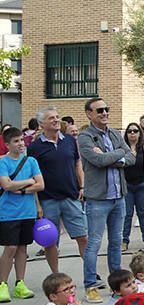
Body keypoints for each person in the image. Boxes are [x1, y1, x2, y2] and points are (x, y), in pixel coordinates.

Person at [78, 97, 134, 303]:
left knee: (116, 242)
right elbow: (98, 161)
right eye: (99, 110)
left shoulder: (114, 134)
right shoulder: (85, 137)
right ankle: (90, 286)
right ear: (89, 114)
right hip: (98, 199)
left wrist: (114, 155)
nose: (104, 113)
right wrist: (119, 154)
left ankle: (118, 285)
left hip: (119, 197)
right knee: (93, 243)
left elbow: (131, 158)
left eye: (106, 109)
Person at [28, 106, 88, 276]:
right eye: (51, 118)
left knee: (83, 237)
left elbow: (78, 163)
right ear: (41, 124)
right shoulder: (34, 147)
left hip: (71, 196)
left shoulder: (69, 140)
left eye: (57, 117)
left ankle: (89, 272)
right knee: (50, 242)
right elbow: (33, 176)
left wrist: (82, 186)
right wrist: (37, 205)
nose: (56, 120)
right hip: (48, 200)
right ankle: (56, 275)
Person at [0, 127, 43, 302]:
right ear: (8, 144)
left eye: (21, 140)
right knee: (10, 247)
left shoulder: (31, 161)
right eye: (16, 141)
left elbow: (40, 185)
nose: (20, 144)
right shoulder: (3, 163)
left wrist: (21, 189)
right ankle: (2, 284)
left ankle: (20, 283)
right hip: (8, 212)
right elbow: (6, 186)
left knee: (23, 248)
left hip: (27, 211)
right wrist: (28, 182)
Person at [120, 121, 144, 251]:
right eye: (129, 131)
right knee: (127, 214)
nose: (132, 133)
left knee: (143, 213)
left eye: (135, 131)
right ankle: (124, 241)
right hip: (127, 186)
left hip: (142, 184)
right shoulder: (122, 149)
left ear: (139, 133)